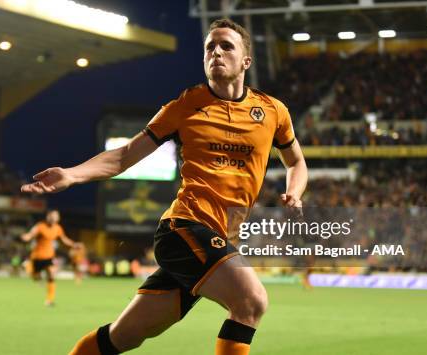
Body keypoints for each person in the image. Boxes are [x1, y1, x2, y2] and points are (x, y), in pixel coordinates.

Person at [22, 18, 307, 355]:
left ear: (246, 60)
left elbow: (296, 162)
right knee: (252, 300)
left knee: (123, 336)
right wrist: (72, 174)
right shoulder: (184, 107)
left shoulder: (273, 112)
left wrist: (295, 191)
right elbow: (125, 155)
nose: (216, 51)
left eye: (226, 46)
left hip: (218, 240)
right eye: (209, 47)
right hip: (184, 229)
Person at [21, 209, 76, 306]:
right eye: (53, 216)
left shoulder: (58, 228)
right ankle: (29, 268)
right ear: (48, 217)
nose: (54, 218)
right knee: (35, 277)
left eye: (56, 217)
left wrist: (73, 244)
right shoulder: (40, 226)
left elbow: (64, 239)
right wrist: (26, 237)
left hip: (49, 256)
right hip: (37, 257)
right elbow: (31, 234)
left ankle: (49, 300)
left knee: (51, 274)